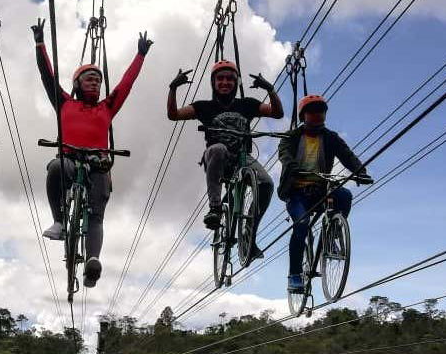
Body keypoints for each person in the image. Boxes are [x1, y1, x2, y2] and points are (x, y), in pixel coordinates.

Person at [32, 18, 153, 288]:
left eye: (98, 80)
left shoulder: (107, 107)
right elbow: (46, 76)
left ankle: (92, 260)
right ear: (77, 83)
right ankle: (60, 221)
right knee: (56, 167)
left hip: (98, 164)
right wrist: (40, 44)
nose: (95, 83)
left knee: (96, 215)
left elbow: (126, 84)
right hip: (71, 160)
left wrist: (140, 55)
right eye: (89, 79)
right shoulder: (64, 103)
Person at [167, 60, 284, 260]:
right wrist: (173, 89)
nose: (225, 82)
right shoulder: (204, 106)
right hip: (218, 157)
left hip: (242, 158)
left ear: (236, 82)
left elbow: (277, 113)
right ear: (213, 82)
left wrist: (270, 89)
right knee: (218, 149)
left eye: (230, 79)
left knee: (266, 183)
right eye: (220, 78)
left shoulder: (247, 104)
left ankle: (249, 231)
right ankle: (215, 208)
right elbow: (174, 115)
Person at [277, 95, 373, 292]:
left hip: (320, 190)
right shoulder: (292, 137)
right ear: (304, 115)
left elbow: (347, 155)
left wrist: (360, 172)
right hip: (297, 193)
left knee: (344, 195)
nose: (318, 115)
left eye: (321, 111)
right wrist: (292, 166)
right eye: (313, 111)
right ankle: (295, 274)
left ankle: (331, 238)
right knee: (301, 225)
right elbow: (284, 153)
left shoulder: (330, 137)